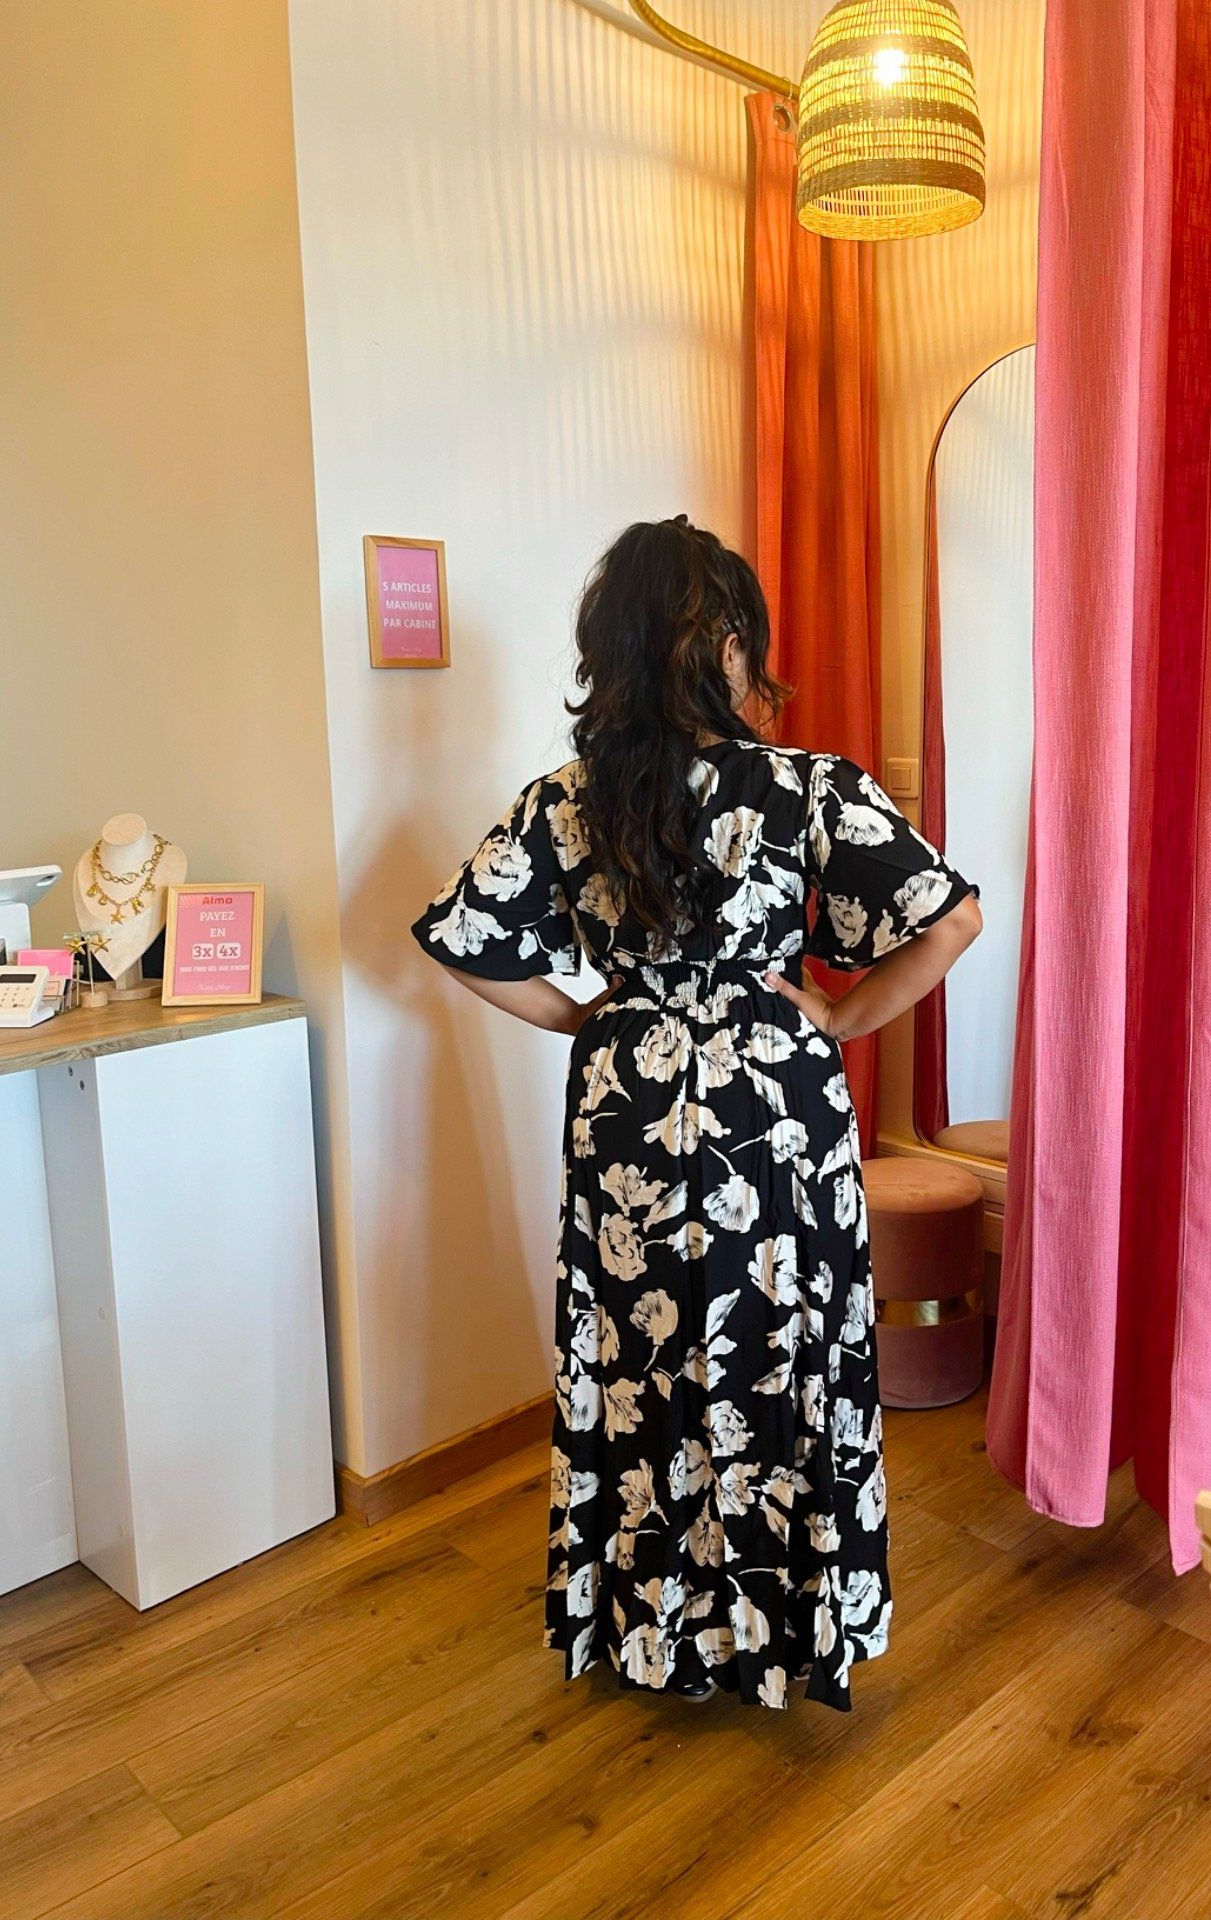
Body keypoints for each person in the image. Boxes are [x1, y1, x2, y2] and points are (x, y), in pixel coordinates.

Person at [413, 517, 980, 1710]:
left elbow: (464, 942)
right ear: (728, 646)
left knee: (640, 1357)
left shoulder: (565, 801)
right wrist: (841, 1017)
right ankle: (778, 1628)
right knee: (780, 1350)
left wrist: (590, 1017)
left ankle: (654, 1628)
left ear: (610, 650)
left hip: (625, 1103)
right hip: (772, 1110)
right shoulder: (807, 787)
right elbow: (951, 920)